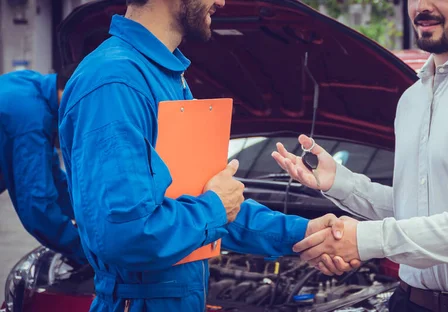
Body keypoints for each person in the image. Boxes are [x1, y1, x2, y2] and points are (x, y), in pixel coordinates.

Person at [57, 0, 347, 311]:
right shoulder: (114, 83)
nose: (221, 1)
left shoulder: (167, 76)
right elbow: (126, 235)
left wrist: (302, 233)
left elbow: (209, 203)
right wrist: (215, 209)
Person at [273, 0, 448, 310]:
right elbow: (416, 215)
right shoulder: (413, 99)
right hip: (409, 301)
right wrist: (339, 183)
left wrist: (365, 240)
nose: (422, 7)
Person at [0, 67, 87, 266]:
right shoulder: (30, 119)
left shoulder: (31, 85)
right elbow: (38, 206)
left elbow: (54, 178)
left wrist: (86, 213)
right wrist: (86, 253)